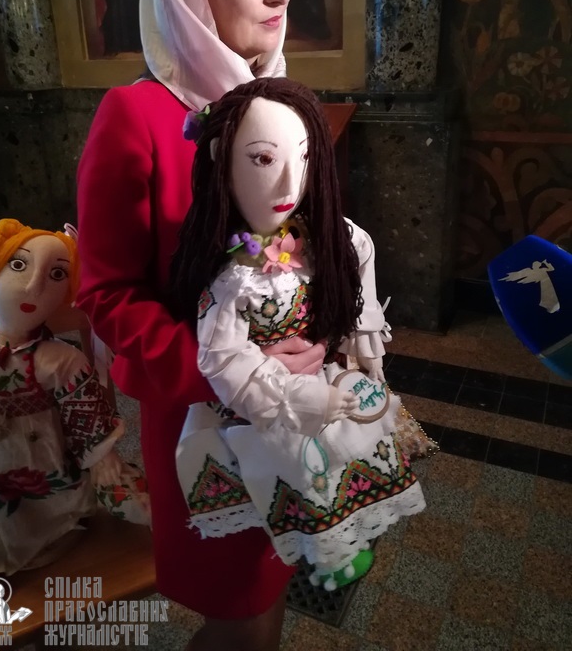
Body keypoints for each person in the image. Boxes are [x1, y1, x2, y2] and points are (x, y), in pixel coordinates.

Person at [76, 0, 327, 651]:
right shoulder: (137, 115)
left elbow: (304, 245)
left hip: (287, 413)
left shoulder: (282, 103)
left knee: (267, 594)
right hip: (200, 417)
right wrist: (224, 373)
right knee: (236, 614)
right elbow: (107, 294)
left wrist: (322, 332)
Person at [169, 77, 426, 590]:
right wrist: (293, 395)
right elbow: (224, 358)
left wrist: (362, 336)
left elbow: (360, 252)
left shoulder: (320, 239)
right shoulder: (233, 279)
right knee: (300, 465)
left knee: (354, 445)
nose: (290, 182)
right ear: (222, 160)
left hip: (322, 375)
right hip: (267, 403)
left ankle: (345, 533)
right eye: (264, 159)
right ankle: (325, 553)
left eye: (305, 158)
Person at [0, 220, 149, 577]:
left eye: (56, 274)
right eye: (18, 265)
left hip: (49, 457)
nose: (34, 286)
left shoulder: (63, 360)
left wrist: (102, 456)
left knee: (65, 492)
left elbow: (86, 414)